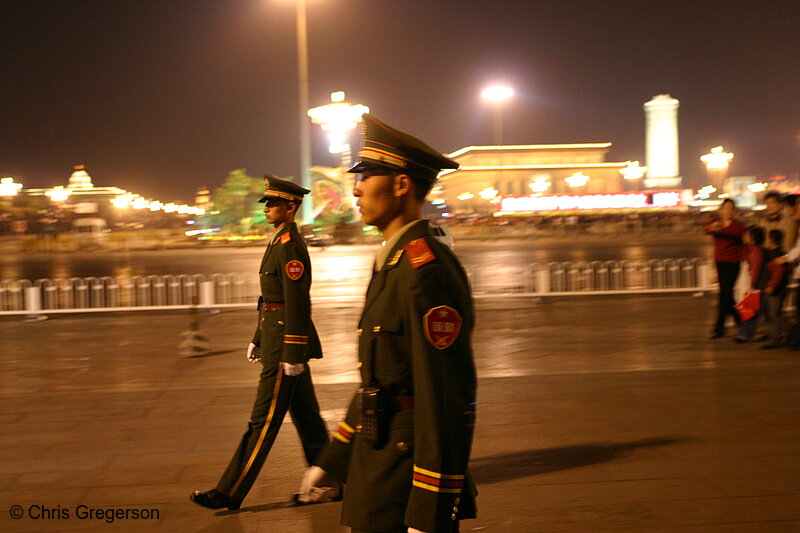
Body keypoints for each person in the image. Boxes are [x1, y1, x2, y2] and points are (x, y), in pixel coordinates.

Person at [297, 114, 478, 533]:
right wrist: (334, 458)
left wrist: (429, 510)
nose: (356, 188)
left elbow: (444, 395)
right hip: (376, 453)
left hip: (406, 468)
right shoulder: (394, 261)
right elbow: (378, 380)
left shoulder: (426, 270)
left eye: (368, 176)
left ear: (401, 185)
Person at [190, 175, 332, 510]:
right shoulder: (278, 241)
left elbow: (297, 302)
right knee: (308, 418)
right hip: (275, 339)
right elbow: (270, 300)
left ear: (291, 207)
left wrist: (293, 353)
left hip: (284, 347)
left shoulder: (291, 246)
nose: (266, 208)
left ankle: (229, 490)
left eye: (273, 203)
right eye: (266, 203)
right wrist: (257, 337)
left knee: (263, 421)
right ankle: (332, 480)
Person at [704, 198, 746, 338]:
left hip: (733, 263)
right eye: (726, 208)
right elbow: (706, 229)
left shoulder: (738, 226)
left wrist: (719, 230)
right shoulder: (715, 222)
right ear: (721, 210)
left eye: (731, 208)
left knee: (724, 295)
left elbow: (735, 234)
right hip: (720, 263)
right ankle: (741, 319)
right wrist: (712, 228)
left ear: (734, 211)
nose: (728, 211)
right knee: (726, 295)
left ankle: (719, 328)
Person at [734, 226, 770, 343]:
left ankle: (745, 334)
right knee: (752, 309)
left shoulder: (755, 251)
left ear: (753, 238)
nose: (744, 237)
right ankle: (745, 333)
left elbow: (755, 268)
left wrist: (752, 285)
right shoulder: (753, 249)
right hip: (756, 282)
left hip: (757, 283)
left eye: (747, 235)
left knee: (751, 310)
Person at [760, 230, 790, 349]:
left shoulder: (775, 256)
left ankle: (776, 340)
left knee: (775, 315)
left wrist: (771, 286)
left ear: (770, 240)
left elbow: (778, 274)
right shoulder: (781, 254)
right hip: (779, 288)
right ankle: (777, 336)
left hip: (775, 290)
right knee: (774, 314)